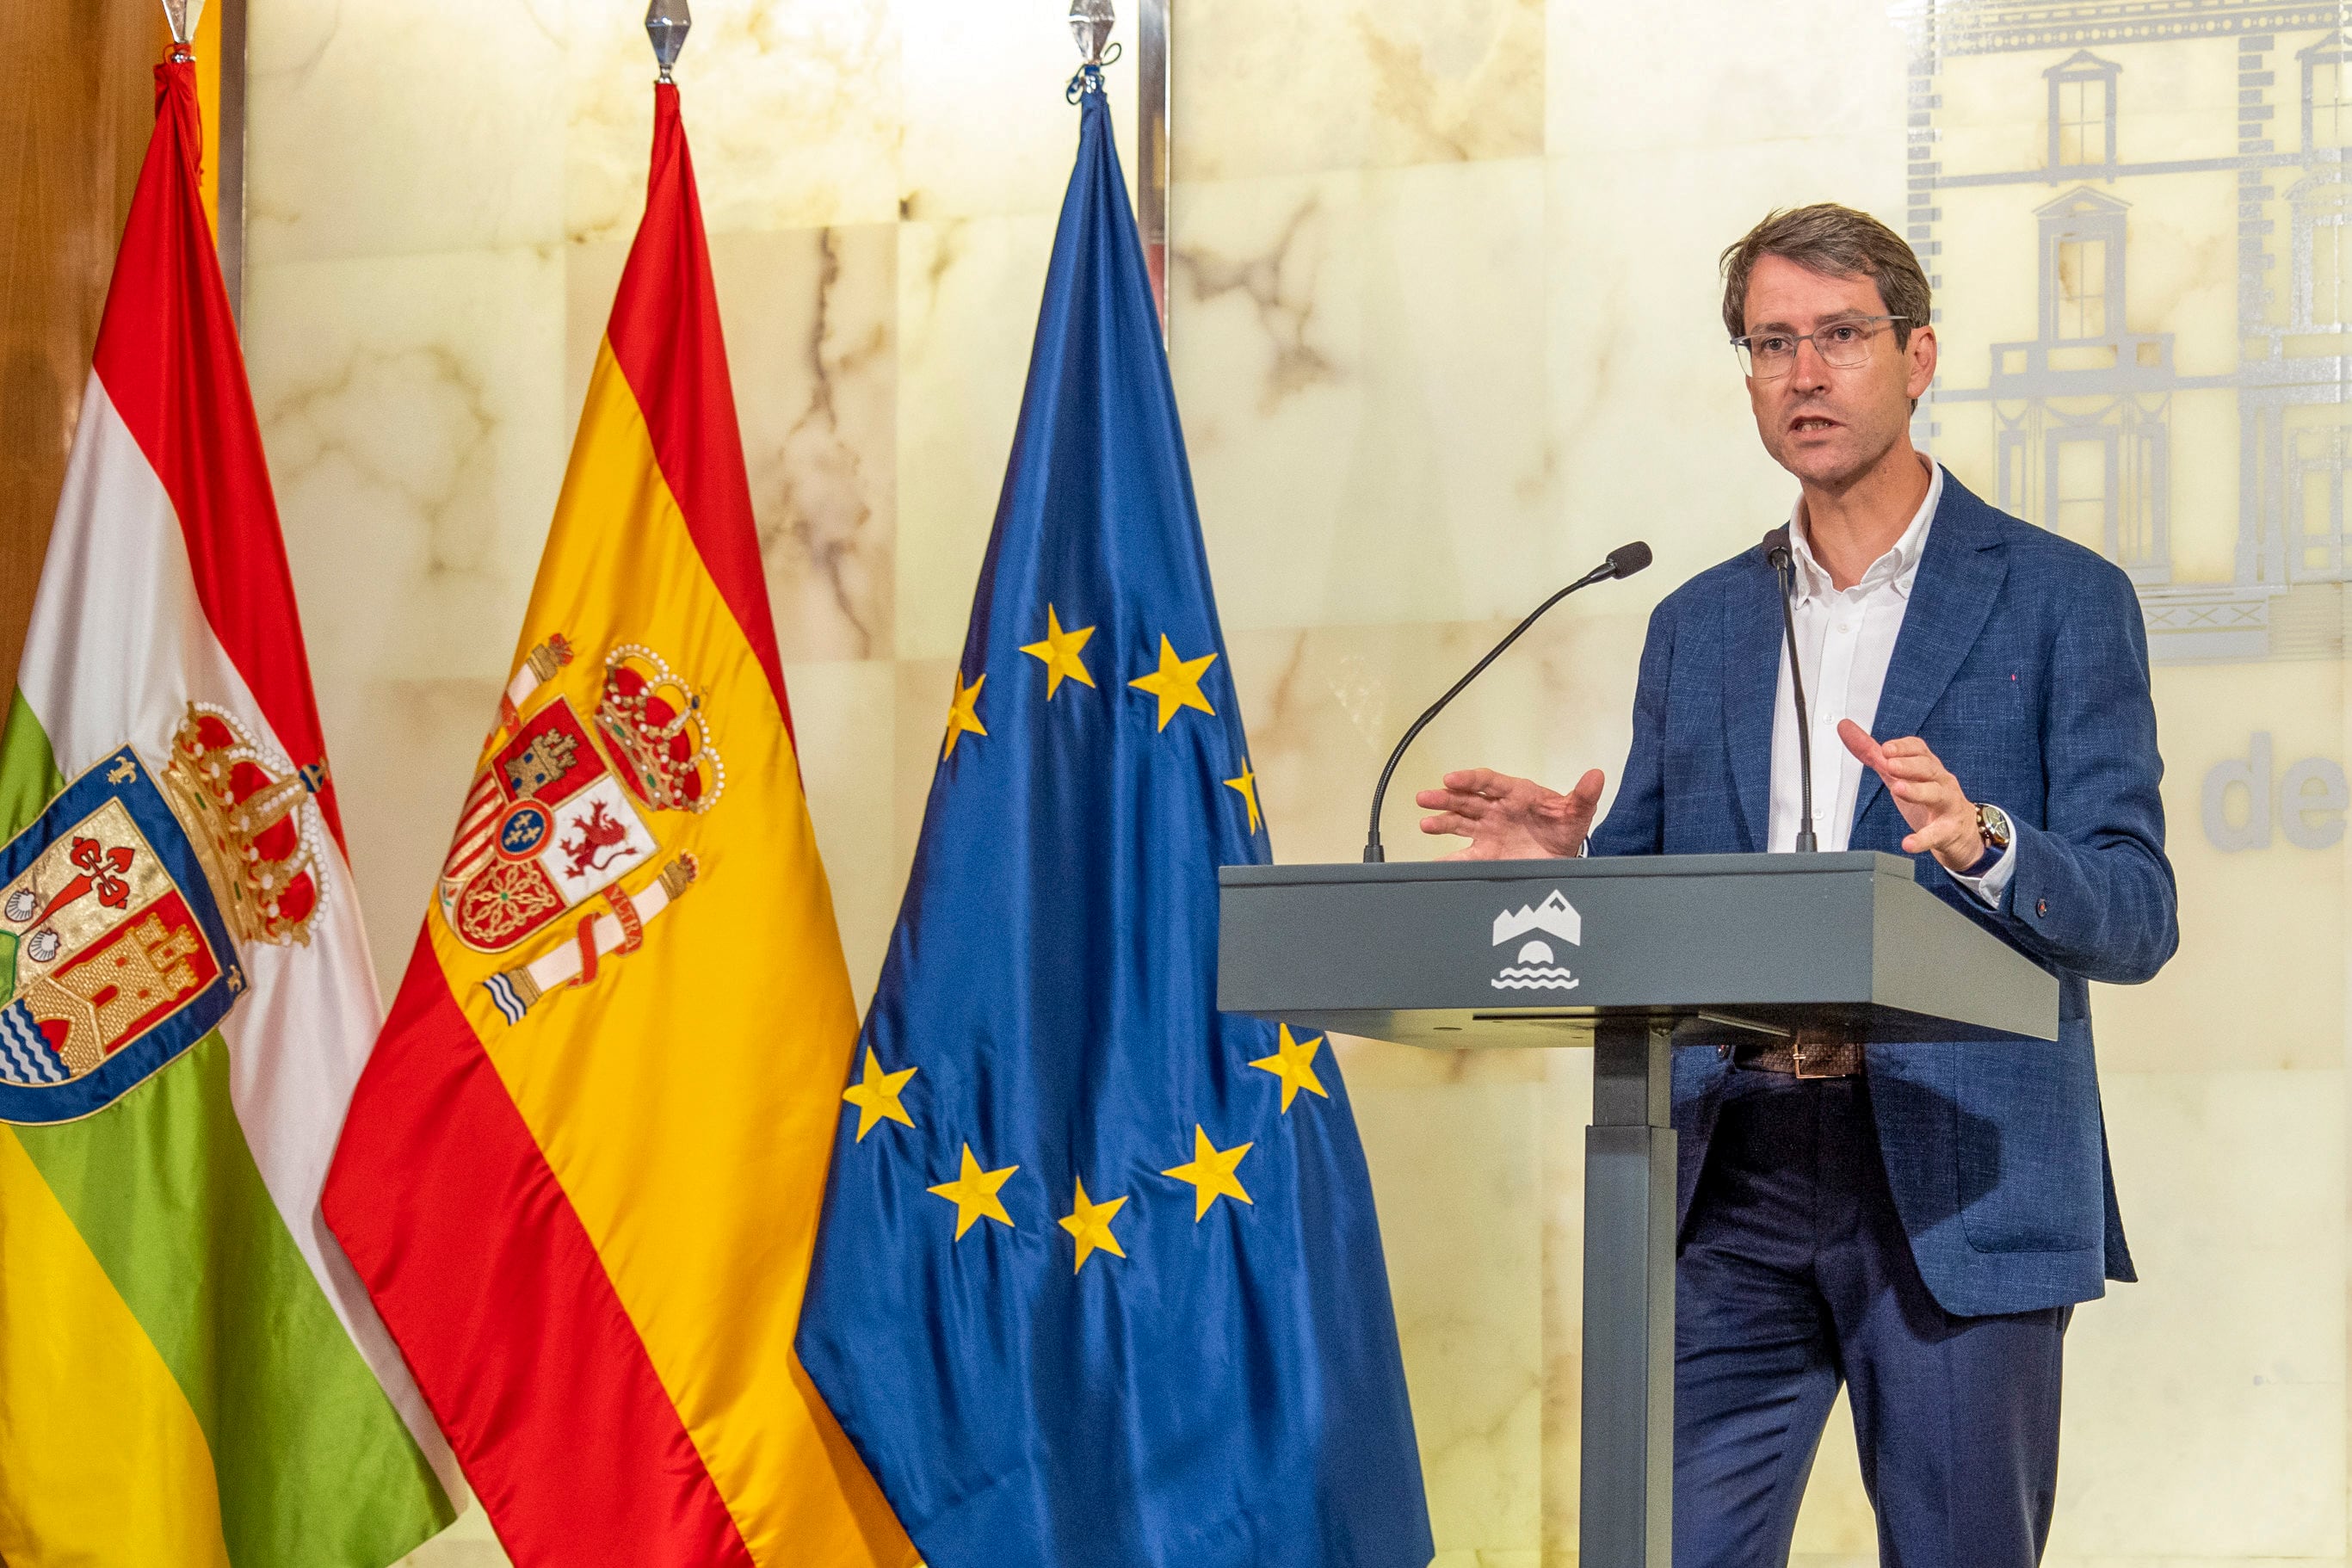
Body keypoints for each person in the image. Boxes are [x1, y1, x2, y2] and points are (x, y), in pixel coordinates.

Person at [1416, 204, 2177, 1567]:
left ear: (1917, 353)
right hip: (1732, 1169)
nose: (1803, 374)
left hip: (1955, 1169)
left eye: (1838, 336)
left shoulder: (2060, 597)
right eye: (1771, 343)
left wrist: (1986, 842)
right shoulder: (1693, 621)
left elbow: (2134, 908)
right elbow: (1660, 907)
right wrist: (1564, 877)